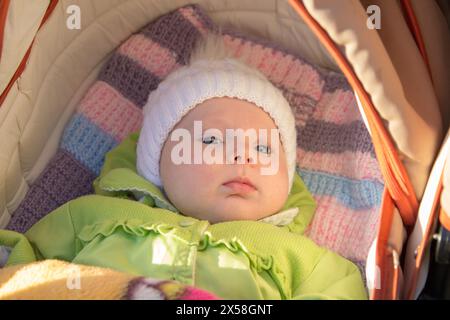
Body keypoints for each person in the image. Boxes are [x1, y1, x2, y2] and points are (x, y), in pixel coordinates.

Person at [0, 33, 367, 300]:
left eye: (263, 148)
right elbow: (23, 265)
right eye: (210, 141)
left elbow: (342, 291)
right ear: (157, 163)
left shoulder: (297, 257)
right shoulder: (92, 217)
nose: (244, 157)